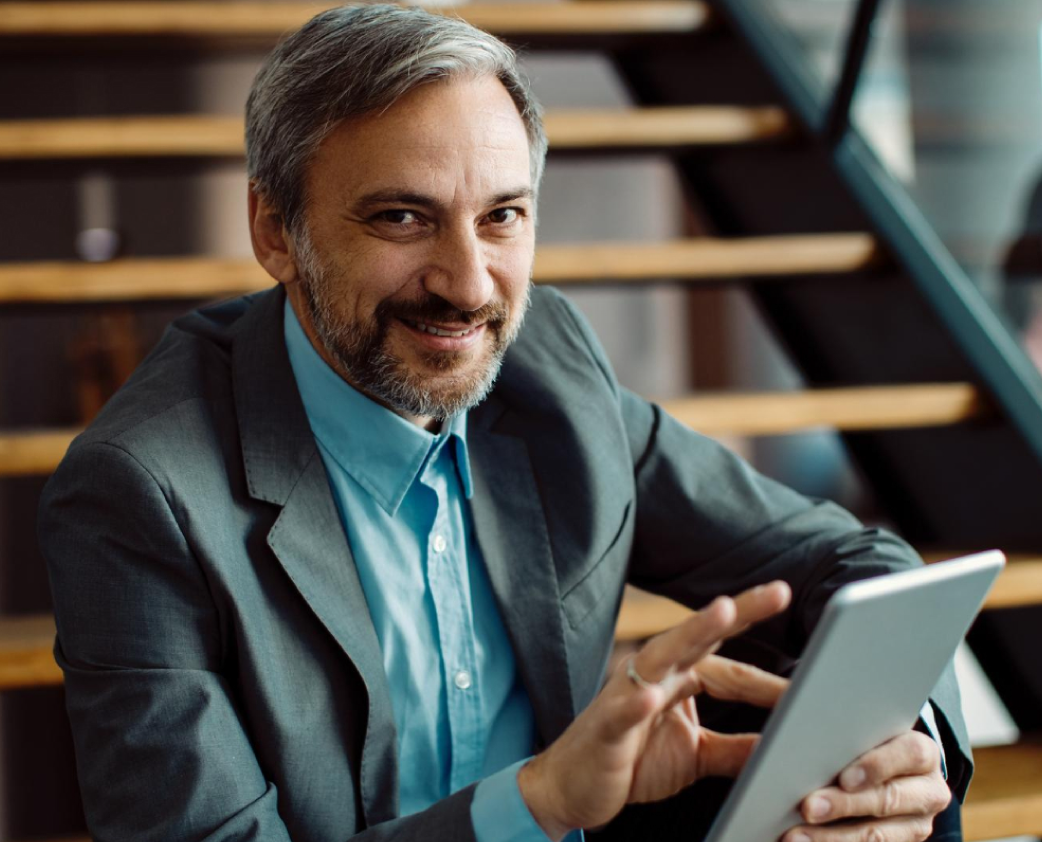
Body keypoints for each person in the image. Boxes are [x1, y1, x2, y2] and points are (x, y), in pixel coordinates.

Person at [39, 5, 967, 841]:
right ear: (277, 232)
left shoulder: (545, 368)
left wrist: (893, 752)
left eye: (502, 217)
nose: (470, 284)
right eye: (403, 218)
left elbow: (849, 563)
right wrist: (539, 803)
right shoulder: (140, 492)